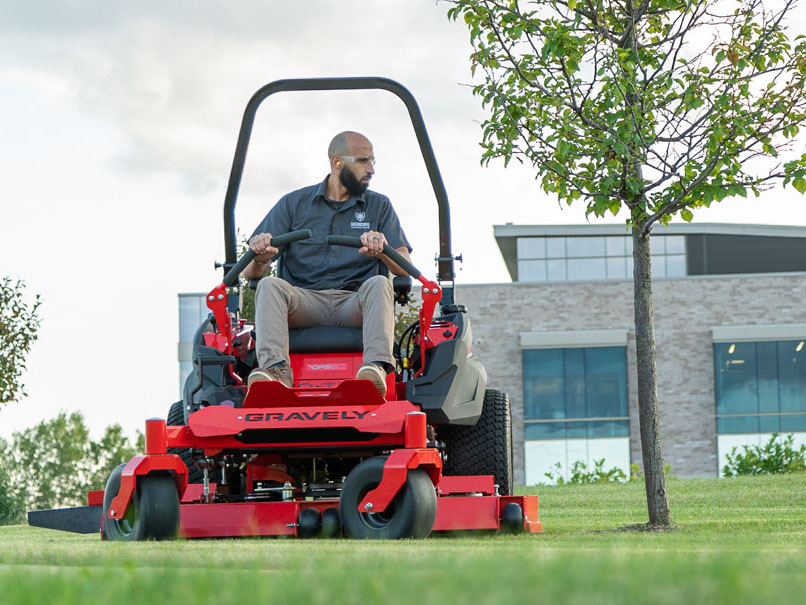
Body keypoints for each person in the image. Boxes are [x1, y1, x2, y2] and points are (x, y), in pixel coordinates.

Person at [243, 131, 412, 396]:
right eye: (363, 161)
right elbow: (249, 272)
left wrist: (382, 249)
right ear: (337, 162)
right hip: (303, 302)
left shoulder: (379, 206)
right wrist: (261, 254)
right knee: (269, 285)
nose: (371, 169)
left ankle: (376, 369)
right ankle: (276, 373)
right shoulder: (294, 204)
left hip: (353, 302)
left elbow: (404, 267)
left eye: (373, 161)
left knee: (380, 283)